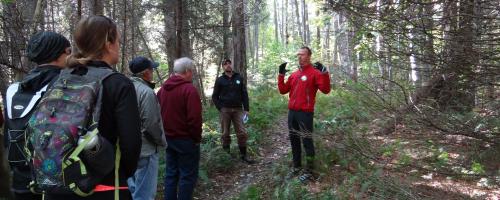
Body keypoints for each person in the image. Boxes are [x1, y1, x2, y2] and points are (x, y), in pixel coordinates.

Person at [45, 15, 142, 200]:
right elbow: (131, 145)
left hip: (60, 184)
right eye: (118, 42)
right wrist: (120, 175)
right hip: (103, 187)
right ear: (108, 43)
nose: (119, 47)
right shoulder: (118, 84)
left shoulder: (59, 79)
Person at [3, 31, 71, 200]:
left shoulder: (14, 89)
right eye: (68, 51)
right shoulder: (66, 85)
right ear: (58, 53)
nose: (71, 56)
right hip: (52, 182)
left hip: (19, 179)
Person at [277, 46, 331, 183]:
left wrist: (325, 73)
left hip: (305, 113)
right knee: (294, 140)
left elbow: (326, 90)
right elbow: (283, 90)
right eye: (298, 55)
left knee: (307, 142)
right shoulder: (294, 74)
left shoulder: (315, 73)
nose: (299, 57)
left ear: (309, 56)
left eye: (302, 54)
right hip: (292, 113)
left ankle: (310, 171)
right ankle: (296, 167)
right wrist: (281, 75)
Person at [157, 57, 202, 200]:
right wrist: (196, 139)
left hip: (169, 139)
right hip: (186, 140)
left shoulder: (162, 90)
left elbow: (158, 114)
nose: (193, 74)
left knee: (171, 174)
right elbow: (194, 119)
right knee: (187, 176)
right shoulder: (189, 90)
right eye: (192, 71)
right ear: (187, 71)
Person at [127, 56, 167, 200]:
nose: (153, 72)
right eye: (151, 70)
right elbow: (151, 124)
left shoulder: (126, 87)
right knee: (145, 195)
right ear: (145, 73)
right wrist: (161, 141)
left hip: (128, 150)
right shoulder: (146, 92)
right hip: (146, 150)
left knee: (132, 191)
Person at [212, 59, 254, 164]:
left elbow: (244, 94)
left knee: (242, 132)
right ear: (223, 67)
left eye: (229, 63)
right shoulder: (220, 80)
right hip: (225, 110)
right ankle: (227, 157)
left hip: (238, 110)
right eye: (225, 64)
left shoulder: (239, 78)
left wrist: (247, 109)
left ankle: (244, 156)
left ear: (232, 65)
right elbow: (214, 96)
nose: (228, 65)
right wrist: (220, 108)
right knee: (225, 133)